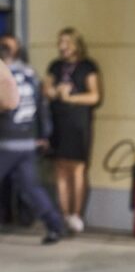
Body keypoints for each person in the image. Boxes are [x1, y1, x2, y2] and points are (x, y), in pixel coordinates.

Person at [0, 35, 65, 245]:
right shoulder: (30, 73)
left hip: (7, 141)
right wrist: (44, 135)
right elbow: (41, 106)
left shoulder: (4, 75)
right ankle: (55, 226)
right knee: (32, 187)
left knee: (31, 187)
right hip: (27, 142)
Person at [43, 27, 100, 234]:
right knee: (60, 169)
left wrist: (71, 98)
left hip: (78, 123)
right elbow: (46, 89)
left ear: (76, 44)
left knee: (77, 169)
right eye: (60, 42)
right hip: (58, 122)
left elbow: (94, 96)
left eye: (66, 42)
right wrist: (55, 92)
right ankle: (64, 214)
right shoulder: (55, 66)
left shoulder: (87, 66)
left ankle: (77, 214)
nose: (62, 46)